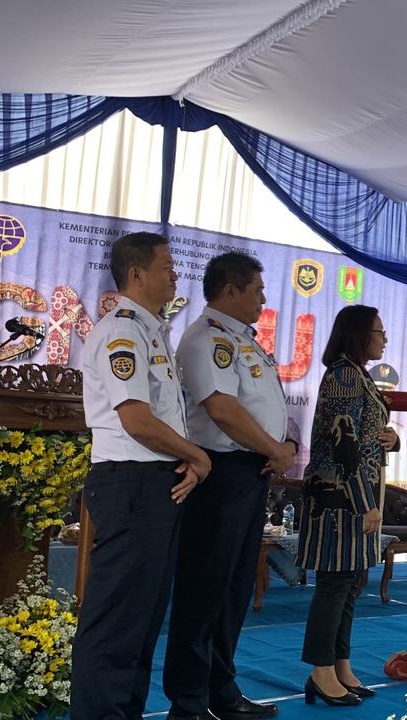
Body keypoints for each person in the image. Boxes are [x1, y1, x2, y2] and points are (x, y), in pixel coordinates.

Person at [70, 232, 211, 720]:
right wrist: (200, 456)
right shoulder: (123, 331)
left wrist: (187, 460)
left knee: (143, 618)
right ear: (136, 274)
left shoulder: (151, 330)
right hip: (130, 482)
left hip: (154, 482)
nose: (175, 274)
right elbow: (136, 420)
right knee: (116, 619)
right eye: (168, 266)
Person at [164, 253, 294, 720]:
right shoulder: (208, 339)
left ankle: (222, 688)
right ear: (230, 291)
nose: (263, 298)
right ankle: (188, 700)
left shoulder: (244, 340)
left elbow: (261, 405)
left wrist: (282, 444)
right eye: (257, 289)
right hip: (218, 473)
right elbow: (222, 409)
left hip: (247, 473)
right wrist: (273, 450)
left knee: (234, 588)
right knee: (204, 588)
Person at [296, 305, 399, 707]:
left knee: (350, 585)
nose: (384, 338)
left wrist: (392, 439)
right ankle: (320, 672)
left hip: (355, 496)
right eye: (379, 331)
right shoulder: (342, 374)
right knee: (334, 585)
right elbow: (343, 443)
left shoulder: (357, 375)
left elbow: (367, 432)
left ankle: (340, 664)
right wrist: (365, 504)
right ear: (359, 334)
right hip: (340, 500)